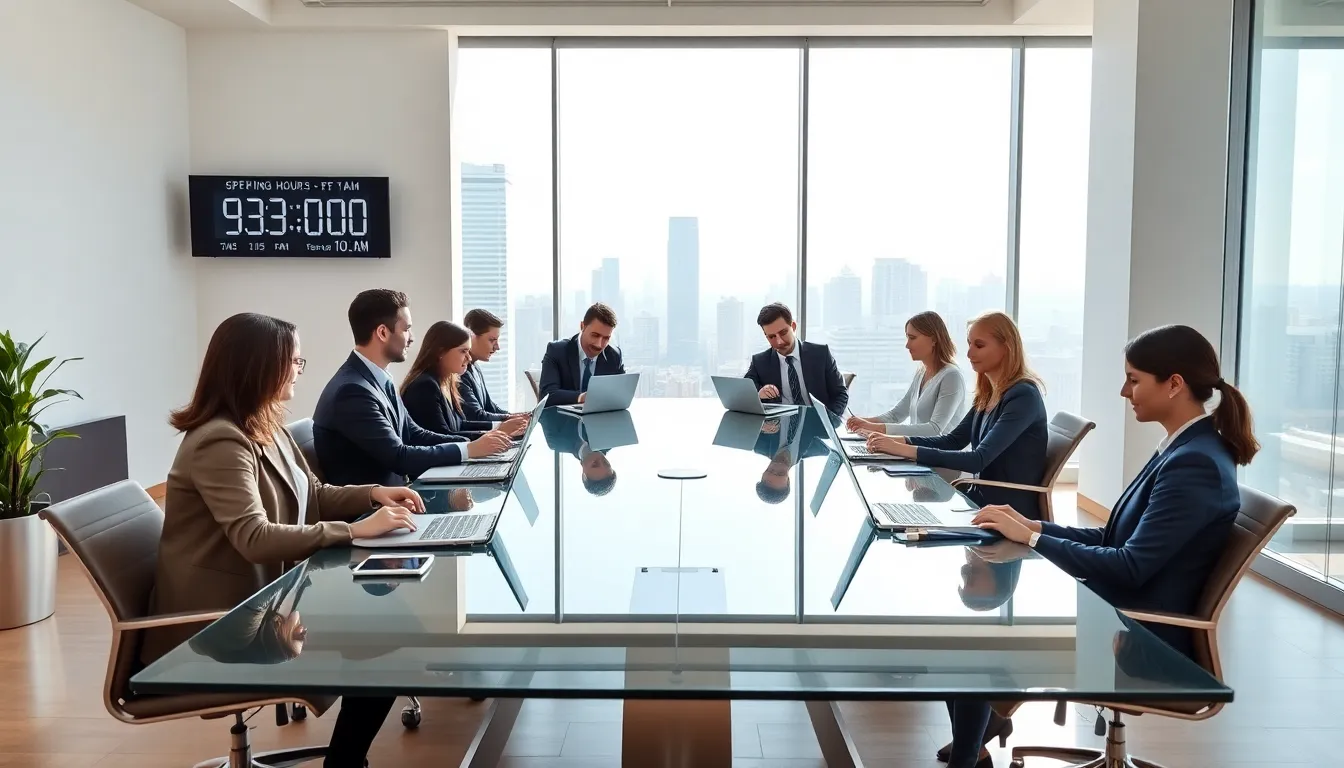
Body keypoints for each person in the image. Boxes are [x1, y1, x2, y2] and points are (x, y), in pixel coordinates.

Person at [946, 324, 1257, 768]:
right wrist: (1030, 524)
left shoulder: (1195, 464)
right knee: (973, 629)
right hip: (1120, 614)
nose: (1123, 391)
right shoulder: (1183, 447)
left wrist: (1033, 537)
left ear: (1174, 384)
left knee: (975, 638)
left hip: (1142, 639)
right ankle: (979, 738)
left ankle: (973, 749)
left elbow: (1128, 567)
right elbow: (1113, 539)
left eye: (1133, 379)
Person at [144, 312, 427, 768]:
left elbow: (311, 493)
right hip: (222, 623)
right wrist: (355, 529)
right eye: (294, 361)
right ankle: (345, 761)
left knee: (388, 625)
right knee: (384, 642)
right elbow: (253, 537)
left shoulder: (264, 424)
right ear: (260, 367)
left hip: (269, 597)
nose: (300, 368)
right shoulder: (220, 440)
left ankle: (346, 758)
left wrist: (373, 492)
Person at [313, 289, 511, 487]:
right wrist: (469, 449)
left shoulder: (377, 379)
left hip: (400, 499)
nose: (412, 337)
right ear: (383, 332)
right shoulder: (352, 392)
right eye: (406, 329)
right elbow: (399, 456)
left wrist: (474, 444)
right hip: (377, 510)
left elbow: (414, 433)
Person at [864, 310, 1048, 521]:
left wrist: (904, 449)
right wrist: (895, 442)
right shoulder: (990, 392)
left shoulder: (1023, 396)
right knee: (891, 513)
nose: (969, 354)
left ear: (1006, 348)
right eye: (969, 344)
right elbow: (953, 440)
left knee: (906, 520)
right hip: (981, 500)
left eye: (979, 345)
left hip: (1007, 513)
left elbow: (977, 460)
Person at [400, 320, 529, 439]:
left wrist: (500, 429)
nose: (469, 358)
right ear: (440, 352)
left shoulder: (447, 382)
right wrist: (497, 433)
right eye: (463, 351)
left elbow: (460, 425)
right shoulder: (425, 386)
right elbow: (441, 437)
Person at [846, 311, 967, 437]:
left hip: (939, 454)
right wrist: (862, 422)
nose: (907, 345)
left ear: (934, 339)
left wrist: (875, 428)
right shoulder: (922, 372)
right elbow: (896, 414)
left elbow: (934, 429)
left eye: (912, 338)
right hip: (918, 450)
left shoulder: (951, 376)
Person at [744, 302, 849, 417]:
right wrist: (758, 395)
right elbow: (744, 397)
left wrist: (829, 420)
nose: (779, 342)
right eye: (772, 337)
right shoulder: (759, 362)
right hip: (779, 428)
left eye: (783, 333)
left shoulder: (821, 354)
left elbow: (840, 395)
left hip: (818, 424)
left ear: (793, 326)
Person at [539, 302, 626, 406]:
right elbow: (547, 395)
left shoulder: (614, 355)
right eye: (595, 335)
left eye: (606, 338)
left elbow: (622, 394)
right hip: (563, 419)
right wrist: (581, 397)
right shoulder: (557, 350)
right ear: (582, 326)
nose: (599, 344)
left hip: (600, 419)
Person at [460, 308, 526, 422]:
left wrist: (518, 417)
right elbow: (476, 416)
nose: (497, 347)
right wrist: (511, 420)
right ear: (471, 336)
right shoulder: (460, 372)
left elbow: (490, 407)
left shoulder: (476, 368)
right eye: (492, 340)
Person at [539, 409, 618, 495]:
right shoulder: (611, 436)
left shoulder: (556, 440)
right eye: (606, 463)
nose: (601, 459)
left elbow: (542, 408)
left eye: (595, 464)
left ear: (584, 474)